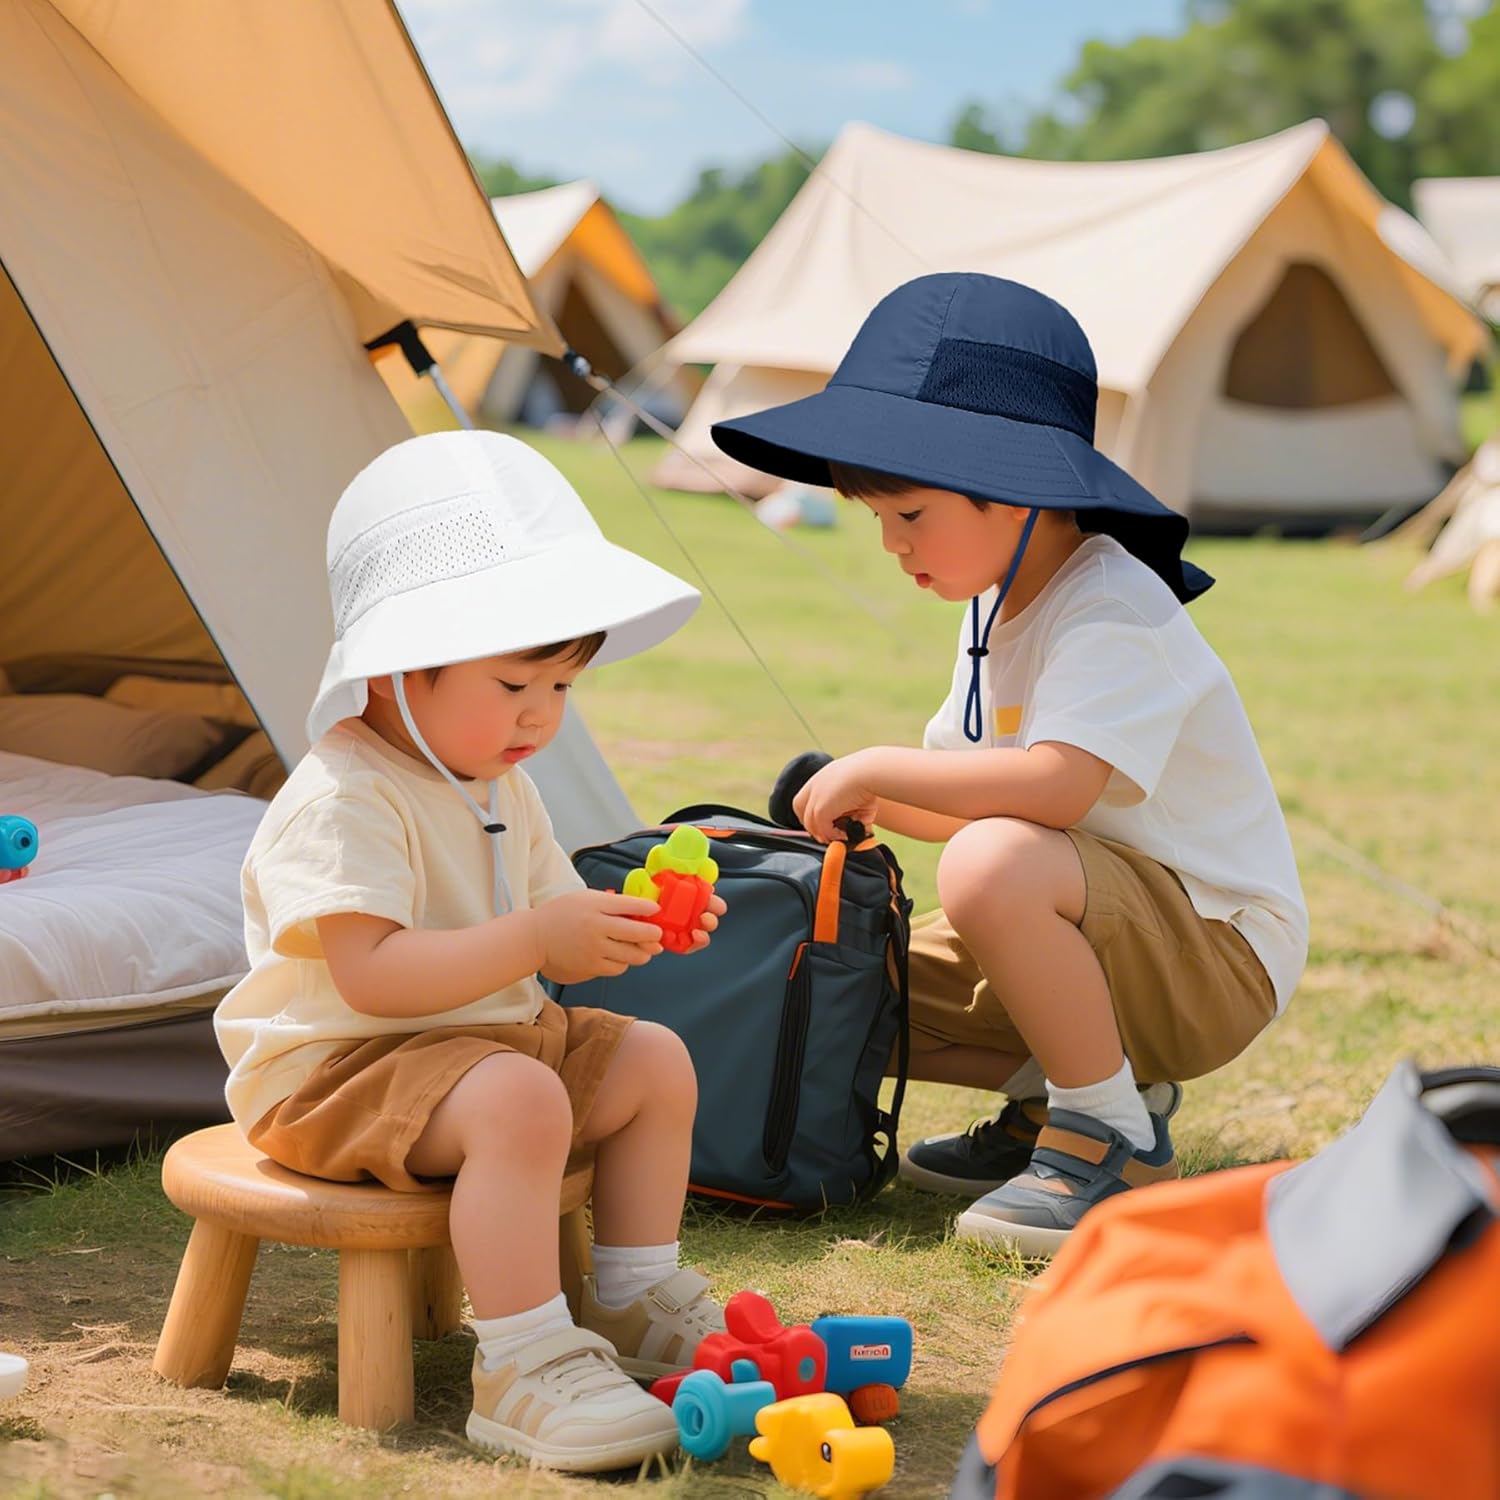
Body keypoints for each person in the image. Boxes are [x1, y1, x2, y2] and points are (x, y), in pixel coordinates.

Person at [711, 273, 1307, 1256]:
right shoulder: (991, 605)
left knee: (990, 868)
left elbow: (1053, 791)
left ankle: (1108, 1135)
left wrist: (877, 761)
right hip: (1100, 925)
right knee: (849, 976)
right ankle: (1067, 1094)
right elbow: (973, 806)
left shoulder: (1110, 606)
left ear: (1015, 485)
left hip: (1216, 959)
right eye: (878, 523)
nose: (894, 547)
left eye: (910, 515)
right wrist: (874, 801)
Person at [215, 431, 724, 1471]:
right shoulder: (344, 795)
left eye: (562, 689)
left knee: (652, 1061)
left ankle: (629, 1298)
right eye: (512, 686)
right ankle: (523, 1364)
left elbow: (555, 935)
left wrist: (625, 924)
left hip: (483, 1049)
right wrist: (538, 937)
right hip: (335, 1073)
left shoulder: (503, 783)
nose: (541, 716)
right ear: (400, 669)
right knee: (521, 1100)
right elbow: (371, 975)